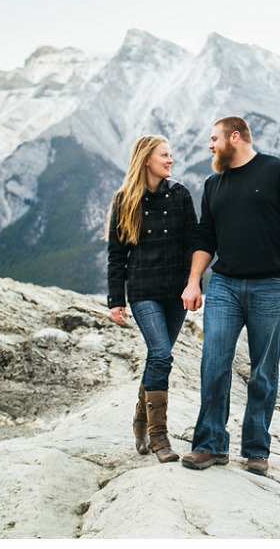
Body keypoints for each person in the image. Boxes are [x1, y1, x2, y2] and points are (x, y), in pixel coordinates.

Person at [181, 116, 280, 476]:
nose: (210, 145)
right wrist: (194, 281)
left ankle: (257, 449)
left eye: (214, 138)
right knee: (214, 363)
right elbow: (205, 238)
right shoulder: (213, 184)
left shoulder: (277, 172)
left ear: (235, 136)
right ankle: (210, 445)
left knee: (263, 371)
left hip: (272, 285)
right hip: (224, 285)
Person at [106, 135, 198, 463]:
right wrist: (116, 300)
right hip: (143, 292)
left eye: (170, 155)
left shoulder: (181, 195)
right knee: (160, 355)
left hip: (176, 293)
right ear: (147, 159)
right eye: (164, 155)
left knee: (157, 359)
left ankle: (139, 422)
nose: (170, 160)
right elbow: (117, 255)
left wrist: (194, 284)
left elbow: (193, 245)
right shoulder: (124, 200)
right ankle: (160, 438)